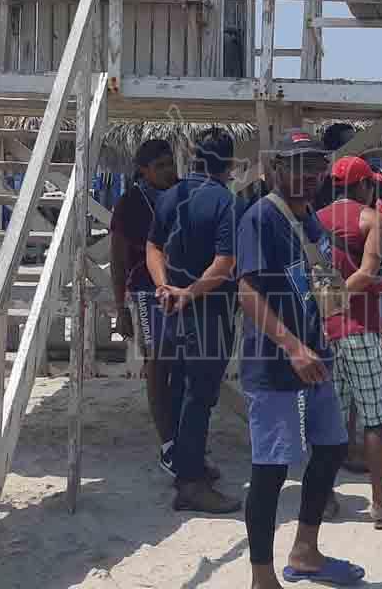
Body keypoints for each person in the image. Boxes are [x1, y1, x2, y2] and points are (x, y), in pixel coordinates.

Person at [237, 131, 364, 589]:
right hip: (275, 364)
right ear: (275, 169)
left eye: (315, 166)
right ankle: (262, 577)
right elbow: (246, 290)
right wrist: (292, 346)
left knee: (331, 449)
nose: (308, 174)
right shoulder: (261, 217)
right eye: (297, 165)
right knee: (271, 469)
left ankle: (306, 551)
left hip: (317, 356)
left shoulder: (309, 217)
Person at [146, 128, 246, 513]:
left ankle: (186, 464)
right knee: (199, 397)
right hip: (208, 313)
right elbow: (225, 262)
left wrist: (164, 285)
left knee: (178, 390)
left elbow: (153, 246)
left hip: (171, 309)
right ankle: (190, 483)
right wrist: (190, 292)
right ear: (229, 163)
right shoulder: (226, 203)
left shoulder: (170, 195)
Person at [317, 156, 382, 530]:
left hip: (324, 330)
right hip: (360, 326)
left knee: (328, 420)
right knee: (376, 418)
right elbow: (367, 272)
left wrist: (323, 304)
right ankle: (379, 504)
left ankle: (325, 499)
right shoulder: (371, 218)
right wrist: (339, 299)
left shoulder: (315, 219)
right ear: (364, 185)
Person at [109, 140, 179, 474]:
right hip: (146, 293)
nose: (168, 171)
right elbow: (118, 261)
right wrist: (120, 308)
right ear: (143, 170)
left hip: (184, 290)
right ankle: (168, 444)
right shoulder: (130, 203)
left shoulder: (183, 193)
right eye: (160, 166)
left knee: (184, 365)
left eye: (170, 163)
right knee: (157, 365)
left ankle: (182, 436)